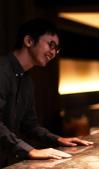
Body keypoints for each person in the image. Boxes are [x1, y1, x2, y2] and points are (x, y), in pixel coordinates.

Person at [0, 18, 93, 168]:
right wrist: (30, 150)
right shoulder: (2, 70)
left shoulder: (26, 80)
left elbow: (29, 125)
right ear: (29, 41)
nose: (53, 53)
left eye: (57, 49)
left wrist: (58, 140)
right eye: (51, 45)